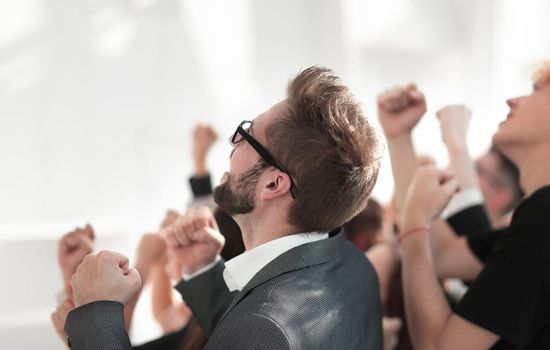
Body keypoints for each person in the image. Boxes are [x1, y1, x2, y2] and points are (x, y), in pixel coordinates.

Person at [64, 66, 384, 349]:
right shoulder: (354, 266)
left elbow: (261, 332)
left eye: (247, 135)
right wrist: (203, 270)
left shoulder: (263, 329)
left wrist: (97, 312)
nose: (233, 143)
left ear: (274, 184)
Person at [398, 62, 550, 349]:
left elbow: (437, 347)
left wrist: (414, 224)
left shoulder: (544, 216)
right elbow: (442, 255)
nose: (513, 100)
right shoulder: (538, 216)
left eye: (537, 90)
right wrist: (399, 137)